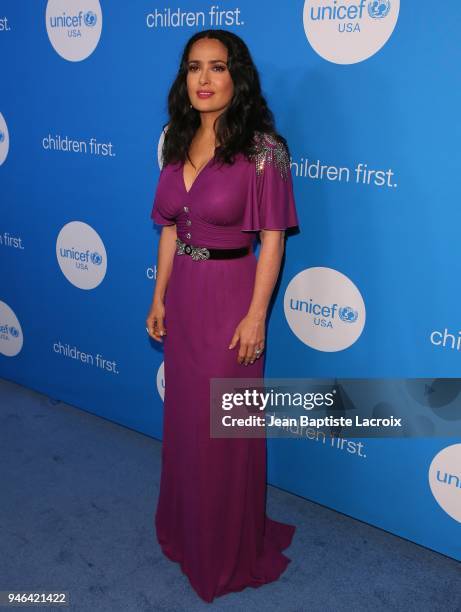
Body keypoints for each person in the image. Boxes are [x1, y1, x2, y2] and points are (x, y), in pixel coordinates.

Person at [146, 29, 300, 603]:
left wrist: (257, 315)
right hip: (185, 295)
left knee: (224, 427)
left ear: (238, 76)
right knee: (188, 423)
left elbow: (272, 239)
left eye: (216, 67)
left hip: (232, 297)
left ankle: (228, 547)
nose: (204, 80)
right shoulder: (175, 141)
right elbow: (168, 230)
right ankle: (189, 531)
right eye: (193, 68)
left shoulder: (264, 150)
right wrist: (159, 297)